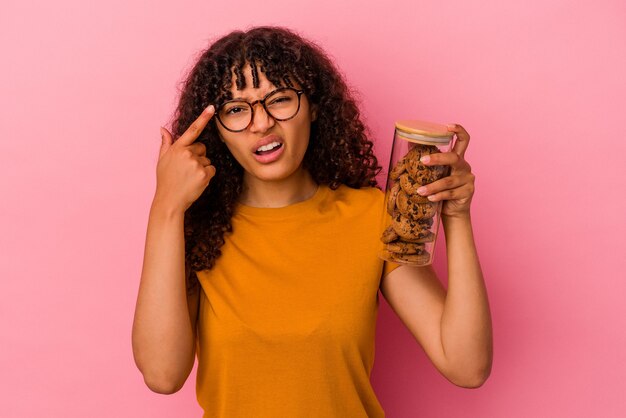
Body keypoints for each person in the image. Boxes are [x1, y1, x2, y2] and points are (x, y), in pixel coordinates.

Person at [132, 26, 492, 418]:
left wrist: (456, 217)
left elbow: (466, 365)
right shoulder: (196, 231)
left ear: (314, 106)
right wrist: (166, 206)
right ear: (217, 130)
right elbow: (162, 375)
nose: (261, 123)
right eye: (236, 109)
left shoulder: (371, 216)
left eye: (280, 100)